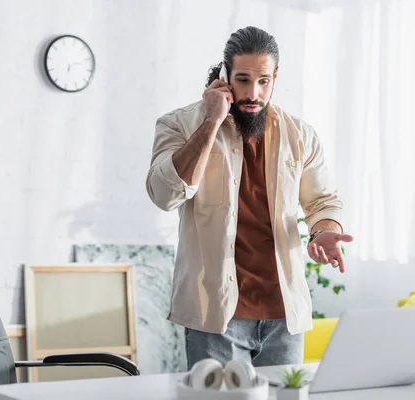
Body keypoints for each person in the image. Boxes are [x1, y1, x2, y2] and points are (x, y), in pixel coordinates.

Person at [145, 26, 353, 370]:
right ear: (224, 74)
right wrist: (212, 121)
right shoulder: (178, 124)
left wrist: (324, 231)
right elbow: (165, 195)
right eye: (242, 79)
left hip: (284, 317)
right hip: (216, 317)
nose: (253, 92)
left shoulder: (300, 135)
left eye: (263, 81)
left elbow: (322, 201)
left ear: (275, 78)